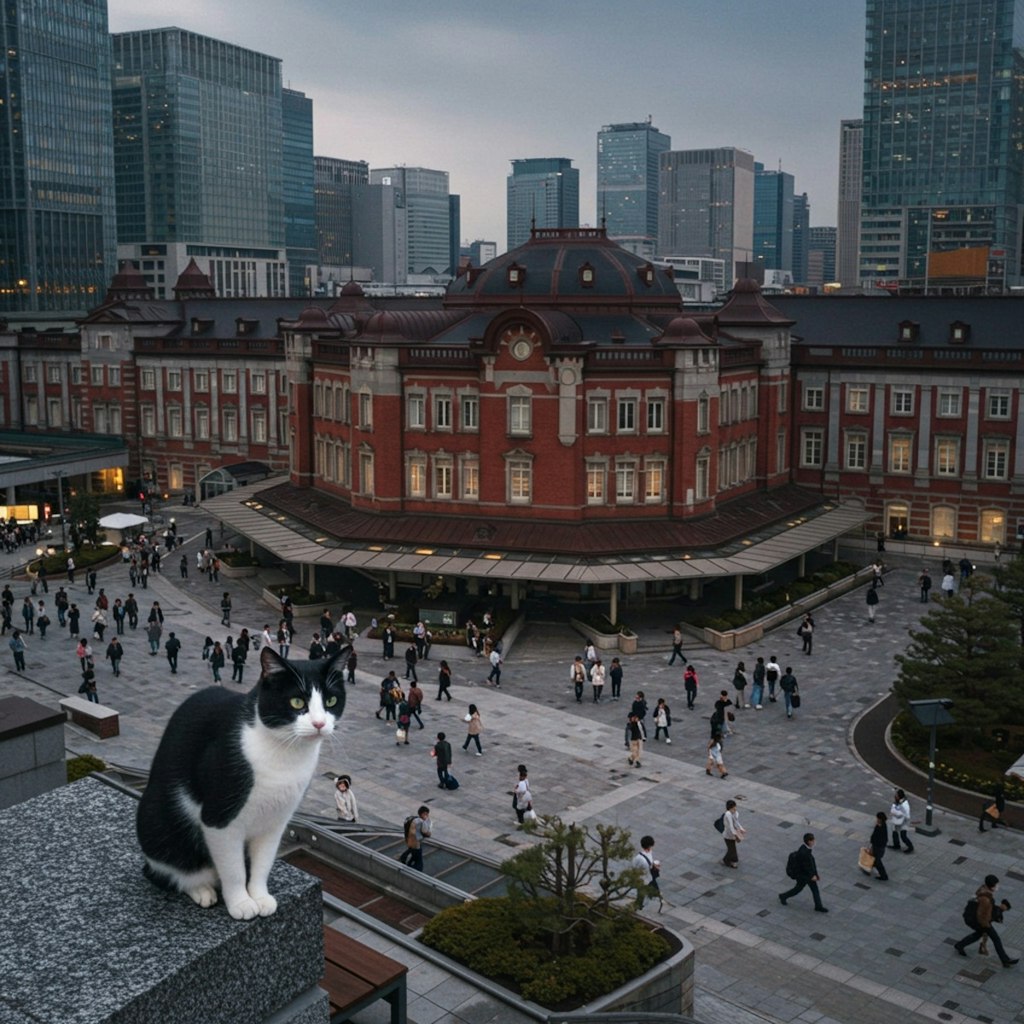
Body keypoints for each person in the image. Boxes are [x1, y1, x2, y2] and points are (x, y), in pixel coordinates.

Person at [954, 875, 1018, 966]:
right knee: (996, 939)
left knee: (978, 935)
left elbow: (986, 909)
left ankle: (960, 945)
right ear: (991, 886)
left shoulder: (983, 890)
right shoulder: (985, 899)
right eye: (996, 885)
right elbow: (982, 915)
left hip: (974, 918)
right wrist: (987, 926)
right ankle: (1005, 960)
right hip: (981, 921)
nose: (998, 886)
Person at [779, 833, 828, 912]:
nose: (814, 842)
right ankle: (783, 896)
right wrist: (812, 875)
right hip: (805, 876)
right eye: (813, 840)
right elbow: (806, 866)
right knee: (801, 889)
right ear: (809, 841)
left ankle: (818, 906)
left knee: (801, 889)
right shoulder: (804, 852)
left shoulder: (804, 848)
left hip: (805, 875)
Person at [633, 835, 662, 911]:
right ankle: (638, 906)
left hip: (647, 878)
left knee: (642, 894)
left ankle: (639, 905)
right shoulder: (641, 858)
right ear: (649, 846)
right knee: (642, 894)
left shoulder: (640, 856)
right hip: (644, 880)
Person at [399, 806, 431, 872]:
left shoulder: (412, 819)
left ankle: (404, 860)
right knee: (419, 864)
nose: (427, 816)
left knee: (413, 856)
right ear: (424, 813)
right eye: (427, 814)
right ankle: (412, 873)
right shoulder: (421, 822)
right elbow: (426, 832)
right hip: (416, 844)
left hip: (409, 841)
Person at [721, 799, 746, 868]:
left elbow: (736, 822)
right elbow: (731, 826)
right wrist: (735, 834)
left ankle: (730, 860)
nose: (735, 808)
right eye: (733, 807)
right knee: (732, 849)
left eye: (735, 806)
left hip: (733, 834)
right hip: (728, 835)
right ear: (730, 808)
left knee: (731, 849)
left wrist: (741, 829)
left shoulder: (735, 813)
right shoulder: (728, 814)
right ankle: (730, 861)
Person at [867, 811, 889, 881]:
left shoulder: (881, 827)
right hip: (878, 846)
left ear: (880, 819)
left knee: (877, 861)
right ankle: (869, 868)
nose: (876, 819)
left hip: (878, 847)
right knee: (875, 859)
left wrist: (873, 844)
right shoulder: (882, 825)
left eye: (877, 818)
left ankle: (884, 876)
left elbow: (877, 837)